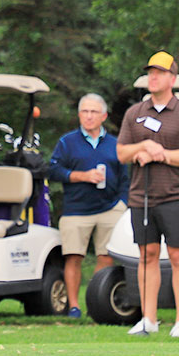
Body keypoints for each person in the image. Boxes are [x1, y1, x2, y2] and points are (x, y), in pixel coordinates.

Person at [116, 52, 179, 337]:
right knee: (146, 255)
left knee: (178, 255)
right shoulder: (135, 113)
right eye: (151, 72)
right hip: (142, 196)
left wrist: (161, 154)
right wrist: (142, 146)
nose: (153, 77)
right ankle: (148, 319)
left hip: (174, 195)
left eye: (159, 72)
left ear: (172, 79)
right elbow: (121, 152)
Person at [47, 93, 129, 318]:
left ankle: (96, 300)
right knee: (73, 257)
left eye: (94, 112)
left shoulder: (116, 144)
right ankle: (73, 307)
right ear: (79, 115)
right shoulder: (67, 142)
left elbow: (126, 177)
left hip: (110, 207)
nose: (89, 116)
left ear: (103, 116)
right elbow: (53, 171)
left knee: (106, 257)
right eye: (85, 111)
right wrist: (81, 176)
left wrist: (122, 203)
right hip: (76, 209)